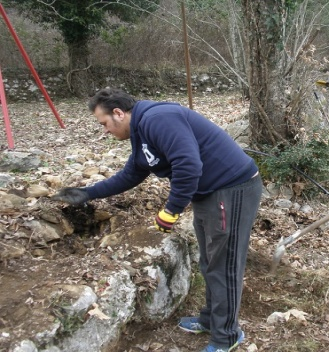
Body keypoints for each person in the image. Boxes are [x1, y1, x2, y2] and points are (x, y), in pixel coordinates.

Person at [52, 88, 262, 352]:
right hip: (209, 192)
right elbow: (132, 173)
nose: (104, 130)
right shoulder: (141, 131)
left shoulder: (158, 119)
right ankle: (212, 320)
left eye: (104, 123)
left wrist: (171, 210)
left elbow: (188, 165)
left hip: (233, 189)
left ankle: (227, 336)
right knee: (210, 260)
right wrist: (88, 193)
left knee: (225, 264)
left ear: (118, 113)